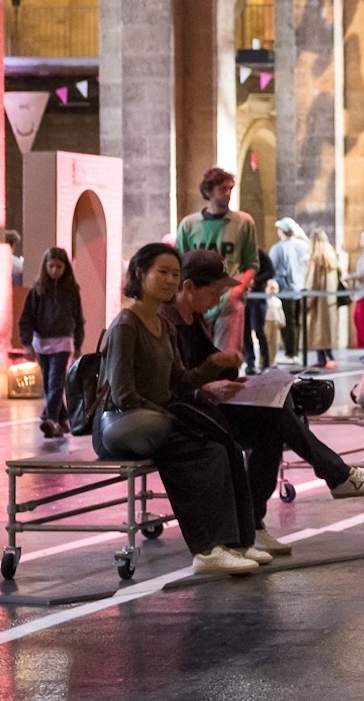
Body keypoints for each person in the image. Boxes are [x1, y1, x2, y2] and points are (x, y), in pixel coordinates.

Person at [162, 250, 364, 555]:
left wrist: (232, 377)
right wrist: (210, 377)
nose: (218, 298)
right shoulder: (165, 323)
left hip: (205, 409)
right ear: (188, 286)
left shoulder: (196, 319)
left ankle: (253, 527)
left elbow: (201, 373)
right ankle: (336, 476)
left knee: (270, 425)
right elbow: (170, 385)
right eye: (215, 290)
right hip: (186, 416)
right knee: (272, 418)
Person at [94, 243, 267, 575]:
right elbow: (123, 393)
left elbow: (178, 382)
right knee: (201, 453)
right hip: (124, 426)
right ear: (139, 274)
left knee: (225, 445)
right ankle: (206, 550)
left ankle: (238, 542)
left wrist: (211, 366)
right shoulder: (126, 325)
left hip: (156, 419)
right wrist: (170, 414)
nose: (170, 280)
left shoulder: (165, 326)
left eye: (175, 273)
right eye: (162, 272)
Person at [175, 167, 257, 356]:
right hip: (197, 299)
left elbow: (252, 263)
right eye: (223, 189)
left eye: (230, 189)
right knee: (197, 355)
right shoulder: (189, 224)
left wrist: (237, 290)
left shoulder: (243, 222)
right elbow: (181, 262)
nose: (228, 194)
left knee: (227, 356)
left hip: (228, 298)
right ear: (209, 191)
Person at [19, 246, 85, 439]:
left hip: (62, 342)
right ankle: (63, 419)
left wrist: (78, 345)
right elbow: (26, 318)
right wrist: (26, 343)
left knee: (55, 381)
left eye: (59, 266)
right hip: (41, 343)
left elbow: (78, 319)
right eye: (51, 266)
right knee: (49, 385)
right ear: (45, 267)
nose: (55, 270)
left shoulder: (71, 291)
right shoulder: (37, 290)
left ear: (66, 267)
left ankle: (50, 420)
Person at [269, 217, 310, 363]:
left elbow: (271, 268)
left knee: (287, 323)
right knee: (296, 322)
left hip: (285, 290)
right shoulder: (303, 245)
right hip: (300, 289)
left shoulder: (278, 248)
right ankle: (294, 352)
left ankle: (290, 353)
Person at [304, 231, 339, 368]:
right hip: (329, 301)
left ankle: (323, 358)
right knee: (326, 331)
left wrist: (307, 300)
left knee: (319, 331)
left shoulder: (316, 259)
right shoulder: (331, 257)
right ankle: (329, 356)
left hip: (318, 302)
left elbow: (312, 282)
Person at [243, 248, 275, 376]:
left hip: (257, 296)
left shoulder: (259, 254)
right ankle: (250, 362)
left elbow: (271, 271)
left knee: (258, 329)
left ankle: (265, 363)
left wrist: (255, 281)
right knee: (245, 330)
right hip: (245, 296)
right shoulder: (241, 252)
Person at [264, 279, 285, 366]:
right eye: (271, 288)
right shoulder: (265, 300)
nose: (273, 290)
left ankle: (273, 360)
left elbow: (280, 312)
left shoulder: (277, 301)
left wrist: (282, 321)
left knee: (275, 342)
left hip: (276, 322)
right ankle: (263, 360)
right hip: (267, 321)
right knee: (266, 341)